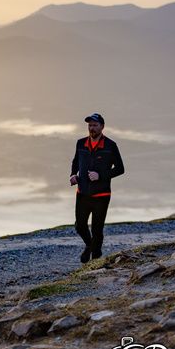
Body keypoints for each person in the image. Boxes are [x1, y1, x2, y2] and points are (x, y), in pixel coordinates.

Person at [70, 113, 125, 263]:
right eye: (90, 125)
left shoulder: (110, 145)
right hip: (82, 193)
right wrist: (73, 175)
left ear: (102, 127)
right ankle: (90, 246)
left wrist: (100, 175)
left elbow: (120, 168)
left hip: (102, 195)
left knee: (97, 229)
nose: (92, 128)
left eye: (95, 125)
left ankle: (95, 260)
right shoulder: (81, 143)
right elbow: (75, 161)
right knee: (80, 226)